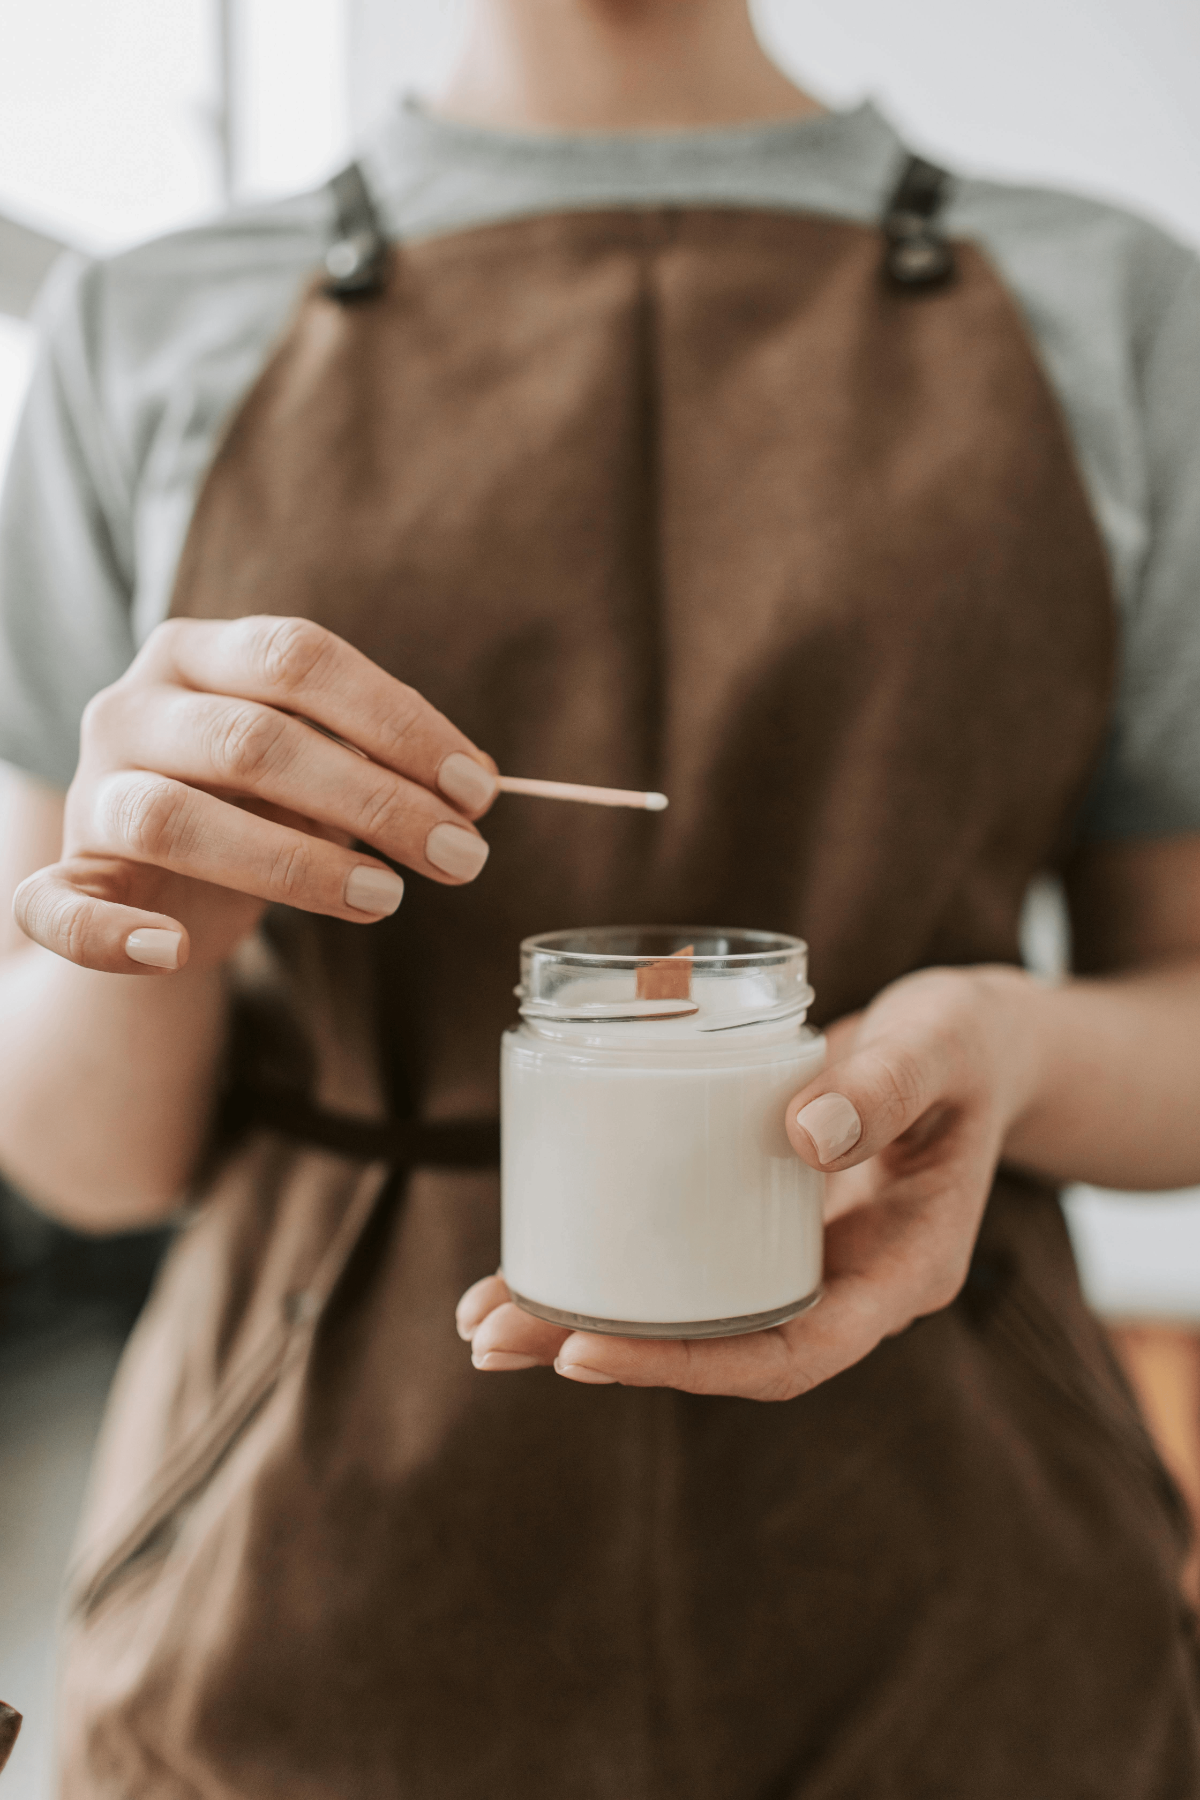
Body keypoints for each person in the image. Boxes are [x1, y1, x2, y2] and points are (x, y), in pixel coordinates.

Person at [2, 0, 1200, 1791]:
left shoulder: (1116, 306)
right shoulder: (143, 323)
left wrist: (1008, 1046)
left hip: (967, 1583)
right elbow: (83, 1153)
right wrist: (171, 903)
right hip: (296, 1577)